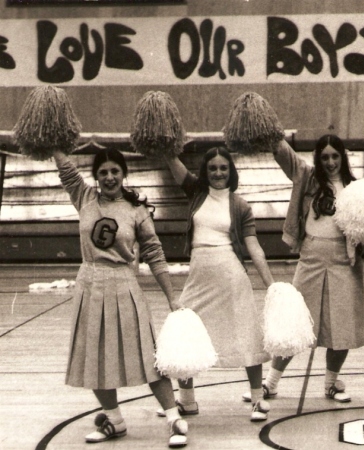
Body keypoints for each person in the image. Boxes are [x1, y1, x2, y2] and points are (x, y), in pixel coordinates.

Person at [51, 147, 189, 448]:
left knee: (148, 355)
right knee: (95, 357)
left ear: (124, 173)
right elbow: (65, 167)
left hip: (124, 284)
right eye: (103, 172)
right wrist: (52, 144)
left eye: (115, 171)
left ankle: (173, 417)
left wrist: (171, 298)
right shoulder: (84, 197)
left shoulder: (136, 209)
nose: (110, 177)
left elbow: (154, 252)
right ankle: (113, 419)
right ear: (95, 177)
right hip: (89, 285)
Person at [242, 134, 364, 404]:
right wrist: (270, 131)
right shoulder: (307, 178)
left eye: (335, 156)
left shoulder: (357, 188)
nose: (331, 162)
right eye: (325, 157)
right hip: (310, 257)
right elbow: (284, 154)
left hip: (344, 262)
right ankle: (271, 383)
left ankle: (331, 384)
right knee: (293, 323)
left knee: (341, 327)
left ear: (343, 157)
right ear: (317, 159)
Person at [158, 146, 275, 422]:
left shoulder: (241, 205)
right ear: (205, 172)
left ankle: (258, 400)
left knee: (246, 334)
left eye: (224, 168)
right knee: (185, 329)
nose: (218, 173)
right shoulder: (196, 194)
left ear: (231, 171)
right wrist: (160, 143)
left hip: (231, 276)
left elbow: (253, 246)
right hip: (199, 276)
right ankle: (186, 402)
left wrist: (271, 284)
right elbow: (172, 162)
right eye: (212, 168)